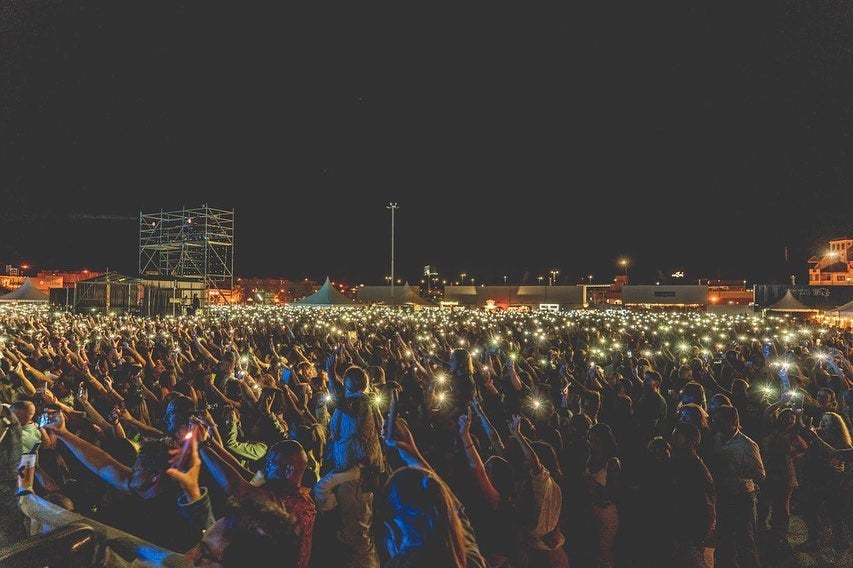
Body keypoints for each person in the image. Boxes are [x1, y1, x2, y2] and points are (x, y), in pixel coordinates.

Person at [41, 409, 200, 552]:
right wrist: (63, 433)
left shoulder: (171, 519)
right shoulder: (143, 486)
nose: (132, 471)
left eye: (138, 469)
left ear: (155, 477)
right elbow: (104, 464)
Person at [198, 432, 316, 568]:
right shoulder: (282, 490)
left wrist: (201, 446)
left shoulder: (292, 505)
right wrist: (209, 440)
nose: (266, 467)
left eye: (271, 463)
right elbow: (241, 471)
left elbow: (238, 488)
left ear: (288, 470)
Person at [383, 416, 487, 568]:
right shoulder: (467, 560)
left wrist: (413, 454)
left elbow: (452, 508)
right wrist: (412, 453)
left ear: (394, 529)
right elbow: (454, 511)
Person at [318, 355, 384, 568]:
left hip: (359, 472)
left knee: (360, 521)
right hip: (350, 469)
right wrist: (335, 375)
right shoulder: (355, 399)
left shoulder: (361, 402)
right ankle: (355, 555)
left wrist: (330, 374)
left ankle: (366, 561)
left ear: (352, 384)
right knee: (351, 519)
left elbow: (341, 402)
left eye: (346, 380)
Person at [708, 405, 765, 568]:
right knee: (725, 538)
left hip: (742, 497)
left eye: (718, 420)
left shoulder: (747, 444)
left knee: (745, 540)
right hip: (724, 495)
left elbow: (760, 474)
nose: (714, 422)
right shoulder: (717, 438)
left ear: (732, 422)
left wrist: (735, 468)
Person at [670, 422, 716, 567]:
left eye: (677, 435)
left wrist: (700, 539)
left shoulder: (697, 470)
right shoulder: (681, 463)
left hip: (691, 535)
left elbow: (709, 507)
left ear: (691, 441)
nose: (673, 438)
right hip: (681, 531)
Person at [583, 422, 621, 568]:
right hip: (591, 509)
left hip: (606, 512)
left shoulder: (612, 462)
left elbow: (612, 492)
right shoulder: (590, 457)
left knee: (604, 552)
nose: (593, 444)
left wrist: (593, 487)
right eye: (590, 440)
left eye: (597, 440)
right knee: (593, 551)